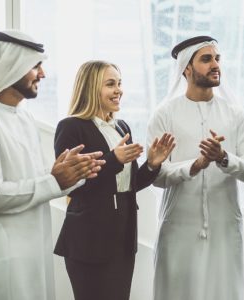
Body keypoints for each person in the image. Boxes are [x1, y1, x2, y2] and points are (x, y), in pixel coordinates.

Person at [0, 30, 104, 300]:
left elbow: (35, 183)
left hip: (31, 257)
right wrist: (55, 180)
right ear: (10, 67)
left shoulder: (23, 117)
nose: (42, 74)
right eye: (35, 66)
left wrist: (71, 174)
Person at [147, 36, 244, 300]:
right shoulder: (165, 114)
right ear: (187, 68)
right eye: (206, 59)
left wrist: (223, 158)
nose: (215, 65)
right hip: (178, 230)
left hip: (225, 231)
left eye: (217, 59)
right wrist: (195, 165)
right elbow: (157, 176)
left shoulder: (235, 114)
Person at [53, 60, 175, 300]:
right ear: (91, 88)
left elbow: (129, 185)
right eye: (111, 84)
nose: (119, 90)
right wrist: (114, 159)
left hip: (123, 237)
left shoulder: (121, 127)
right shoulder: (71, 127)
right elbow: (73, 186)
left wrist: (152, 163)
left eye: (119, 83)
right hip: (89, 240)